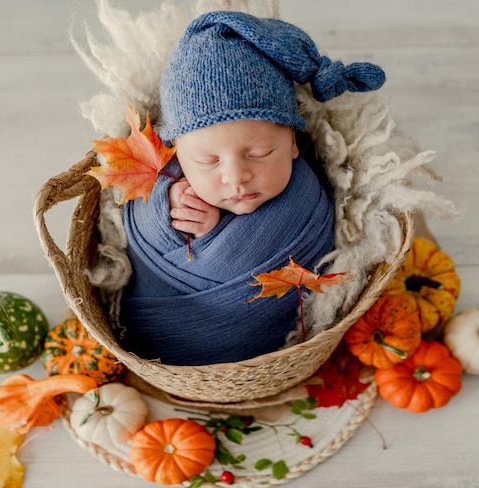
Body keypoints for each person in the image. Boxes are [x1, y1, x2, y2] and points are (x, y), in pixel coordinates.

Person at [118, 11, 385, 366]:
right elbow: (134, 223)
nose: (236, 176)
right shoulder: (169, 177)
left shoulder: (306, 197)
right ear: (177, 155)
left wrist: (213, 236)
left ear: (293, 142)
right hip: (153, 343)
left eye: (260, 153)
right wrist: (168, 210)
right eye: (208, 162)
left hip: (274, 352)